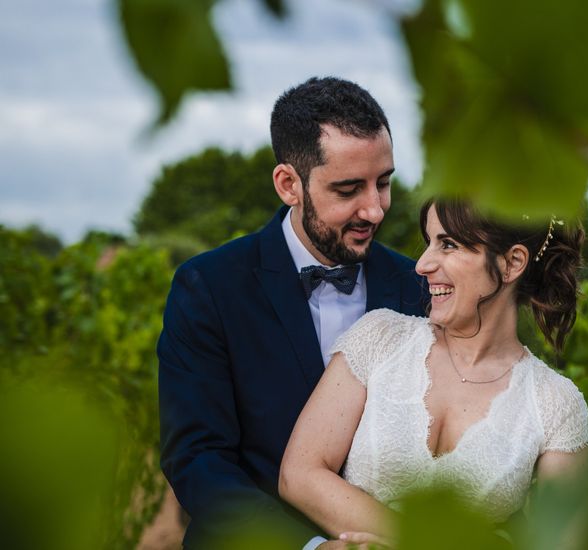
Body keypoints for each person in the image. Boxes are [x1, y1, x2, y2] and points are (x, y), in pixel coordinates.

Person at [158, 77, 427, 549]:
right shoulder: (209, 287)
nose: (375, 210)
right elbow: (199, 459)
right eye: (348, 190)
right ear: (289, 185)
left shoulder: (419, 287)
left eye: (382, 183)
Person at [279, 198, 588, 548]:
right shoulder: (379, 337)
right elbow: (300, 474)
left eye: (448, 245)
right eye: (429, 242)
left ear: (512, 263)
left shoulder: (555, 404)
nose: (423, 264)